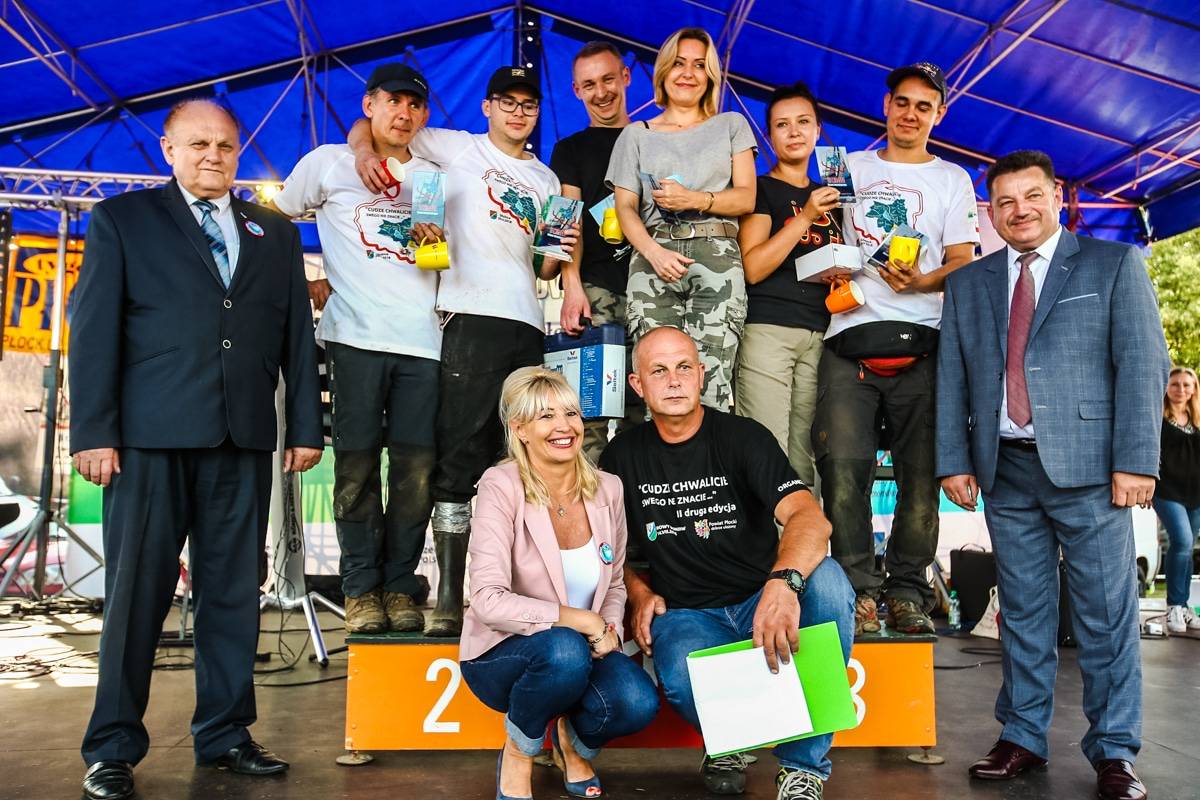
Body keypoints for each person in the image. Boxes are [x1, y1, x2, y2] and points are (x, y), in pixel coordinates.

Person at [69, 99, 324, 800]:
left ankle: (225, 734)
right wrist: (92, 431)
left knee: (234, 595)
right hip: (147, 440)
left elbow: (296, 338)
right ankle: (111, 748)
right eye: (199, 144)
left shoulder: (274, 231)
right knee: (136, 598)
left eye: (226, 145)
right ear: (169, 150)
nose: (214, 156)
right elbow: (93, 331)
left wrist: (306, 427)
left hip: (242, 439)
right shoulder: (122, 220)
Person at [936, 149, 1168, 800]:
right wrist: (954, 459)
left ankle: (1114, 750)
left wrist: (1135, 461)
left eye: (1032, 196)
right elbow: (953, 375)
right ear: (991, 212)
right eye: (1006, 201)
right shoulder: (969, 283)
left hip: (1092, 471)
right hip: (1005, 470)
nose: (1020, 211)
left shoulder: (1113, 263)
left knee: (1106, 615)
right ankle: (1021, 736)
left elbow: (1143, 363)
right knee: (1022, 613)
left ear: (1056, 196)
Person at [349, 66, 576, 635]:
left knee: (522, 460)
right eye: (507, 102)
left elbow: (545, 267)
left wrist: (561, 250)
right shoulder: (455, 147)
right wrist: (362, 154)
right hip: (467, 318)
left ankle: (503, 592)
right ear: (486, 106)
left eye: (528, 105)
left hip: (527, 324)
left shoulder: (547, 177)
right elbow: (375, 128)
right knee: (455, 460)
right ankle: (450, 595)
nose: (518, 112)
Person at [599, 326, 855, 800]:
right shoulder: (621, 456)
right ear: (637, 384)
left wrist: (782, 584)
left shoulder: (743, 437)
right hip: (688, 612)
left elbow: (809, 519)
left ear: (701, 375)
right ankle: (728, 741)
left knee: (829, 582)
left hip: (761, 598)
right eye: (659, 371)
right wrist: (637, 590)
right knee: (679, 676)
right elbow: (604, 546)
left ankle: (803, 767)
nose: (673, 380)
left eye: (683, 368)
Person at [272, 63, 443, 635]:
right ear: (369, 105)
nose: (404, 113)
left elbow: (436, 259)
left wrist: (435, 244)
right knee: (356, 469)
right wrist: (302, 285)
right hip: (353, 340)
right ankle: (360, 589)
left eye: (415, 105)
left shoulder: (433, 175)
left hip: (424, 342)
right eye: (394, 101)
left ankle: (399, 586)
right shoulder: (329, 162)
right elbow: (273, 224)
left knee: (416, 474)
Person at [812, 61, 980, 635]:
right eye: (902, 102)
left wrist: (922, 282)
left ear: (939, 114)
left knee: (921, 478)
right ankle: (856, 593)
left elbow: (964, 261)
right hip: (848, 338)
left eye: (923, 106)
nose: (911, 114)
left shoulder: (953, 178)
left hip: (925, 344)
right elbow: (820, 234)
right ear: (886, 105)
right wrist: (827, 262)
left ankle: (908, 593)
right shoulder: (849, 167)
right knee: (842, 473)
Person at [462, 367, 658, 800]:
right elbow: (488, 600)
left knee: (637, 701)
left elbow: (615, 582)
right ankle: (520, 750)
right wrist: (582, 621)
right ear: (520, 429)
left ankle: (571, 741)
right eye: (545, 416)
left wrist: (608, 628)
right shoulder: (501, 485)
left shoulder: (608, 488)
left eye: (570, 413)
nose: (563, 426)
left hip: (583, 649)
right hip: (504, 654)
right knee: (564, 650)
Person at [606, 27, 757, 412]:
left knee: (711, 384)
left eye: (699, 65)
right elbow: (625, 207)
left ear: (711, 75)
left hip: (717, 255)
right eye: (678, 63)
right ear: (663, 71)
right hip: (653, 256)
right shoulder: (635, 134)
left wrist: (695, 199)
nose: (688, 73)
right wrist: (653, 253)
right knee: (658, 387)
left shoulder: (731, 124)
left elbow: (746, 198)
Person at [735, 81, 842, 488]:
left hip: (821, 331)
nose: (794, 132)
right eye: (782, 124)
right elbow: (753, 267)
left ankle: (805, 529)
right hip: (769, 328)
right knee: (766, 447)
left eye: (803, 122)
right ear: (769, 135)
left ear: (818, 131)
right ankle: (765, 531)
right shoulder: (761, 189)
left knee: (807, 454)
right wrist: (806, 216)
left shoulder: (834, 195)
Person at [550, 41, 644, 462]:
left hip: (653, 290)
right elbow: (564, 222)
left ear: (626, 77)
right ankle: (589, 500)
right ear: (576, 90)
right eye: (589, 84)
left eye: (608, 79)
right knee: (585, 412)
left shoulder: (651, 138)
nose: (601, 92)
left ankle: (637, 496)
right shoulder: (569, 149)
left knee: (646, 410)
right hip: (597, 289)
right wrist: (571, 286)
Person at [1155, 366, 1200, 633]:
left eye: (1186, 384)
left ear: (1193, 389)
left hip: (1196, 493)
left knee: (1187, 546)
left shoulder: (1198, 420)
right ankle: (1174, 605)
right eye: (1174, 384)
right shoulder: (1157, 417)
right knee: (1182, 540)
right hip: (1167, 491)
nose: (1180, 389)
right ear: (1166, 387)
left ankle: (1183, 607)